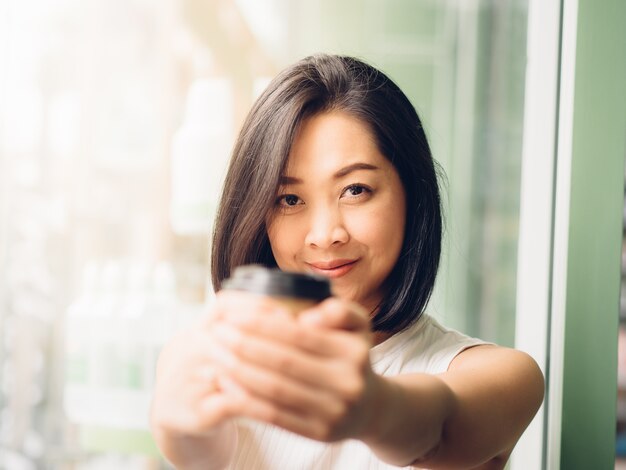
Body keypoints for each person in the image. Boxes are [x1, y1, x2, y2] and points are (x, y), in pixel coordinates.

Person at [150, 54, 544, 469]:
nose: (325, 234)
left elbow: (438, 430)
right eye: (289, 199)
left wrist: (371, 407)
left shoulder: (506, 376)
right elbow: (201, 452)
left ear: (412, 194)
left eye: (355, 189)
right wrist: (181, 431)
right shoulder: (200, 357)